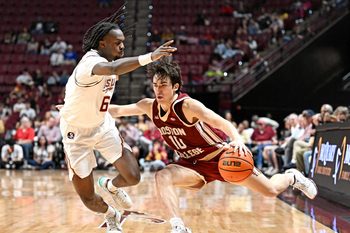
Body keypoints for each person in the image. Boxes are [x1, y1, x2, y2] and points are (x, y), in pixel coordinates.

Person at [108, 59, 318, 233]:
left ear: (175, 87)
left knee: (271, 190)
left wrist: (236, 139)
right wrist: (87, 106)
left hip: (221, 157)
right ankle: (178, 226)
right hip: (191, 165)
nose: (158, 89)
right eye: (155, 84)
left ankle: (293, 176)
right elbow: (116, 111)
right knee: (163, 176)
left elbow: (222, 122)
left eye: (163, 84)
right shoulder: (148, 106)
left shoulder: (188, 106)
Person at [57, 8, 177, 233]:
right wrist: (151, 56)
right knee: (88, 199)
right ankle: (111, 214)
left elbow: (88, 95)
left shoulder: (108, 64)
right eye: (117, 43)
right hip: (76, 135)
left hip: (102, 126)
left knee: (133, 176)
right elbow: (111, 69)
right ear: (102, 44)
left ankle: (110, 185)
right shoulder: (90, 64)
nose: (122, 46)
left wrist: (72, 105)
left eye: (123, 42)